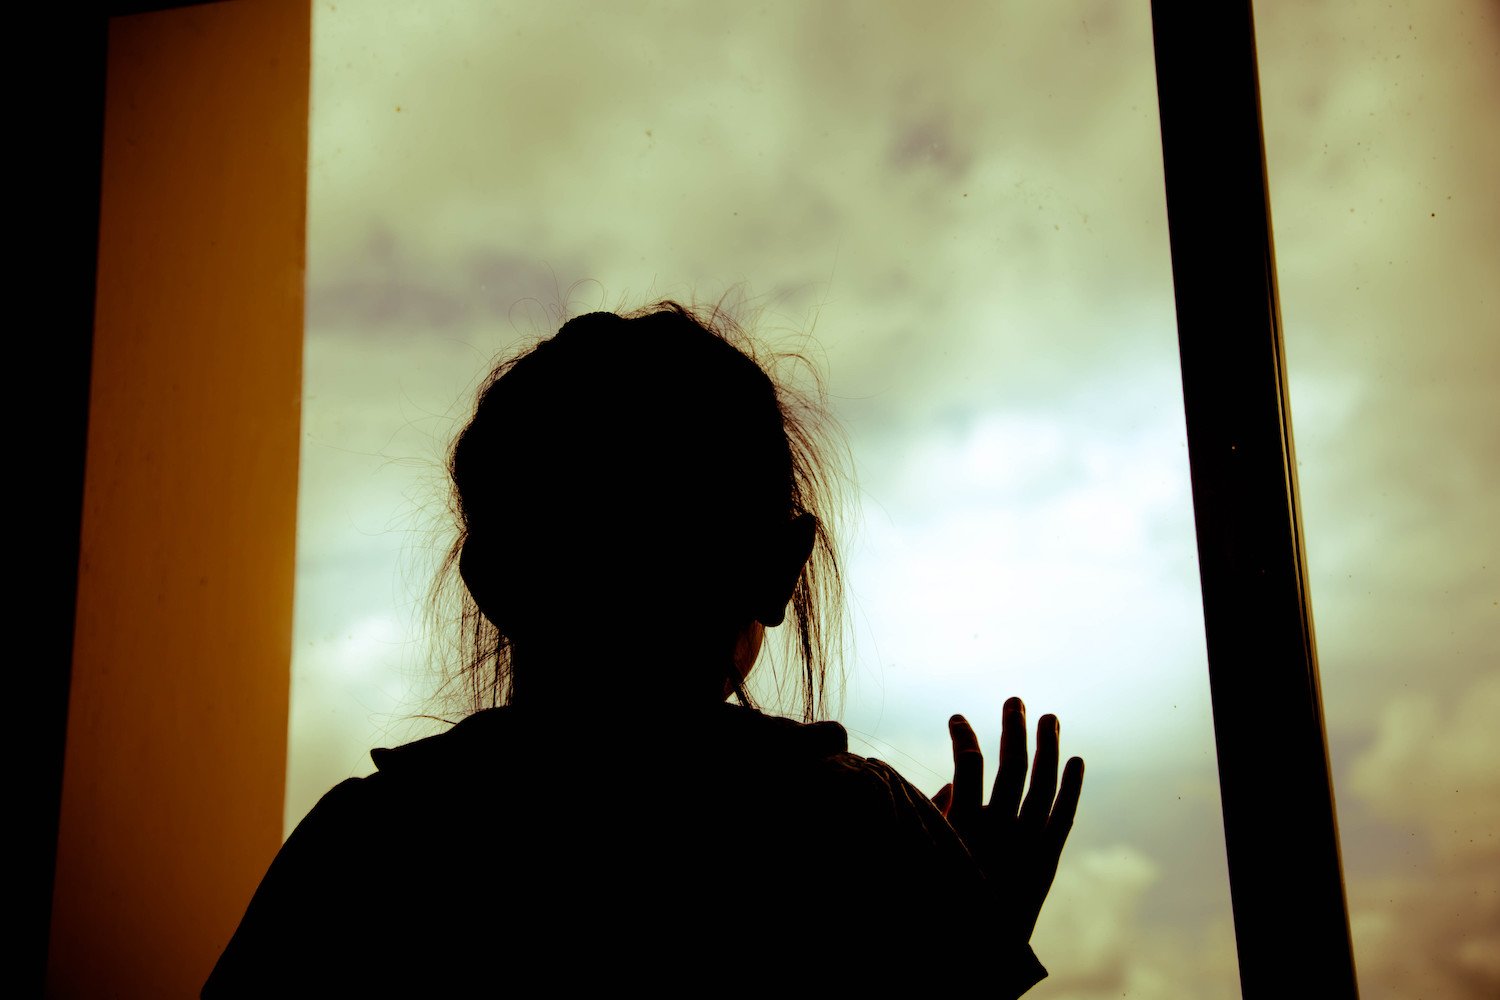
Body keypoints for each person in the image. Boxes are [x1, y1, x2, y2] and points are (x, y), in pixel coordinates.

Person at [203, 302, 1084, 996]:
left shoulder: (364, 849)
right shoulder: (860, 834)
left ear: (491, 582)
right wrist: (974, 933)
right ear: (782, 570)